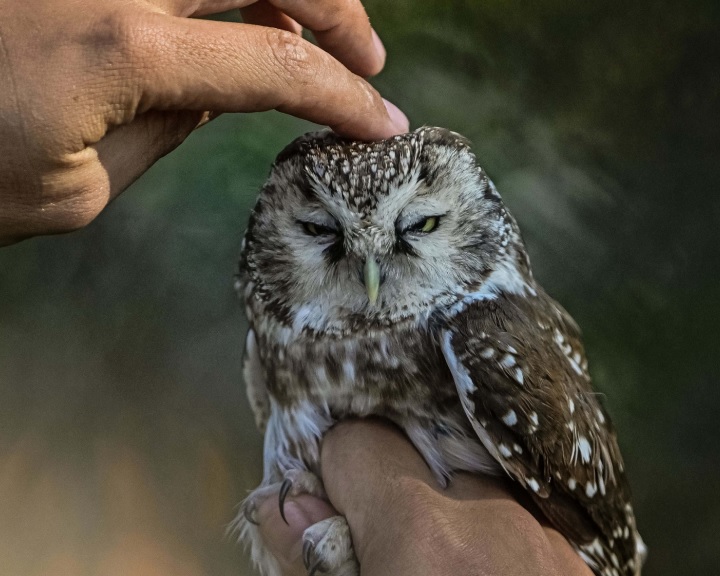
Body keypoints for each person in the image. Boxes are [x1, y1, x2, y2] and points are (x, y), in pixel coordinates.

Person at [0, 2, 591, 574]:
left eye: (420, 226)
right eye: (317, 230)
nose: (370, 275)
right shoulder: (275, 344)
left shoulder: (488, 338)